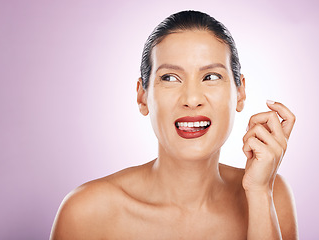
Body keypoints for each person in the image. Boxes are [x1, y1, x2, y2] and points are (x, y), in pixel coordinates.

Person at [50, 10, 298, 239]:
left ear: (240, 93)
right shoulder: (86, 213)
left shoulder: (272, 195)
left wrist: (258, 193)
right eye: (170, 77)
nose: (191, 99)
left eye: (211, 77)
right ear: (142, 96)